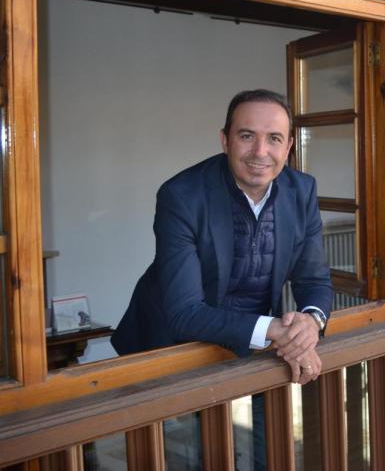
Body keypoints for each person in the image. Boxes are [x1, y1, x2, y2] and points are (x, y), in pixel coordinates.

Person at [112, 89, 333, 384]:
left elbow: (314, 280)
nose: (260, 151)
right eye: (246, 136)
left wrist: (309, 324)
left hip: (254, 346)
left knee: (259, 428)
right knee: (184, 432)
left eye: (274, 138)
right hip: (169, 351)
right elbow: (185, 313)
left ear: (289, 145)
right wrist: (277, 330)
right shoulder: (182, 196)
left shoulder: (301, 191)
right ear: (224, 140)